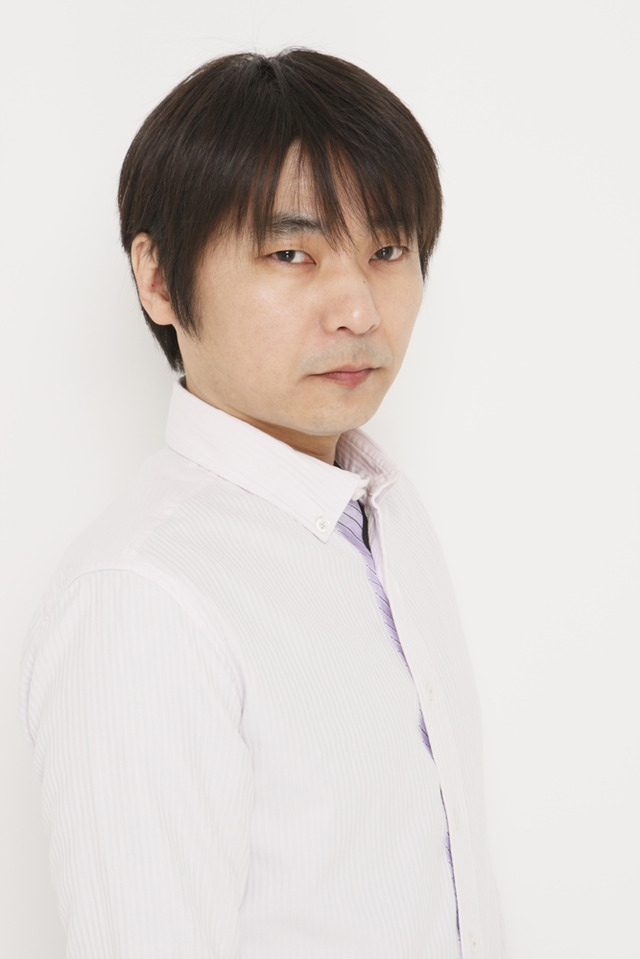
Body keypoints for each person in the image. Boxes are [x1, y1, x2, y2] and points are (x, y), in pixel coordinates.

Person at [21, 49, 504, 958]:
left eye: (388, 250)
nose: (358, 309)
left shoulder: (387, 516)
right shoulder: (143, 599)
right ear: (159, 279)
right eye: (292, 253)